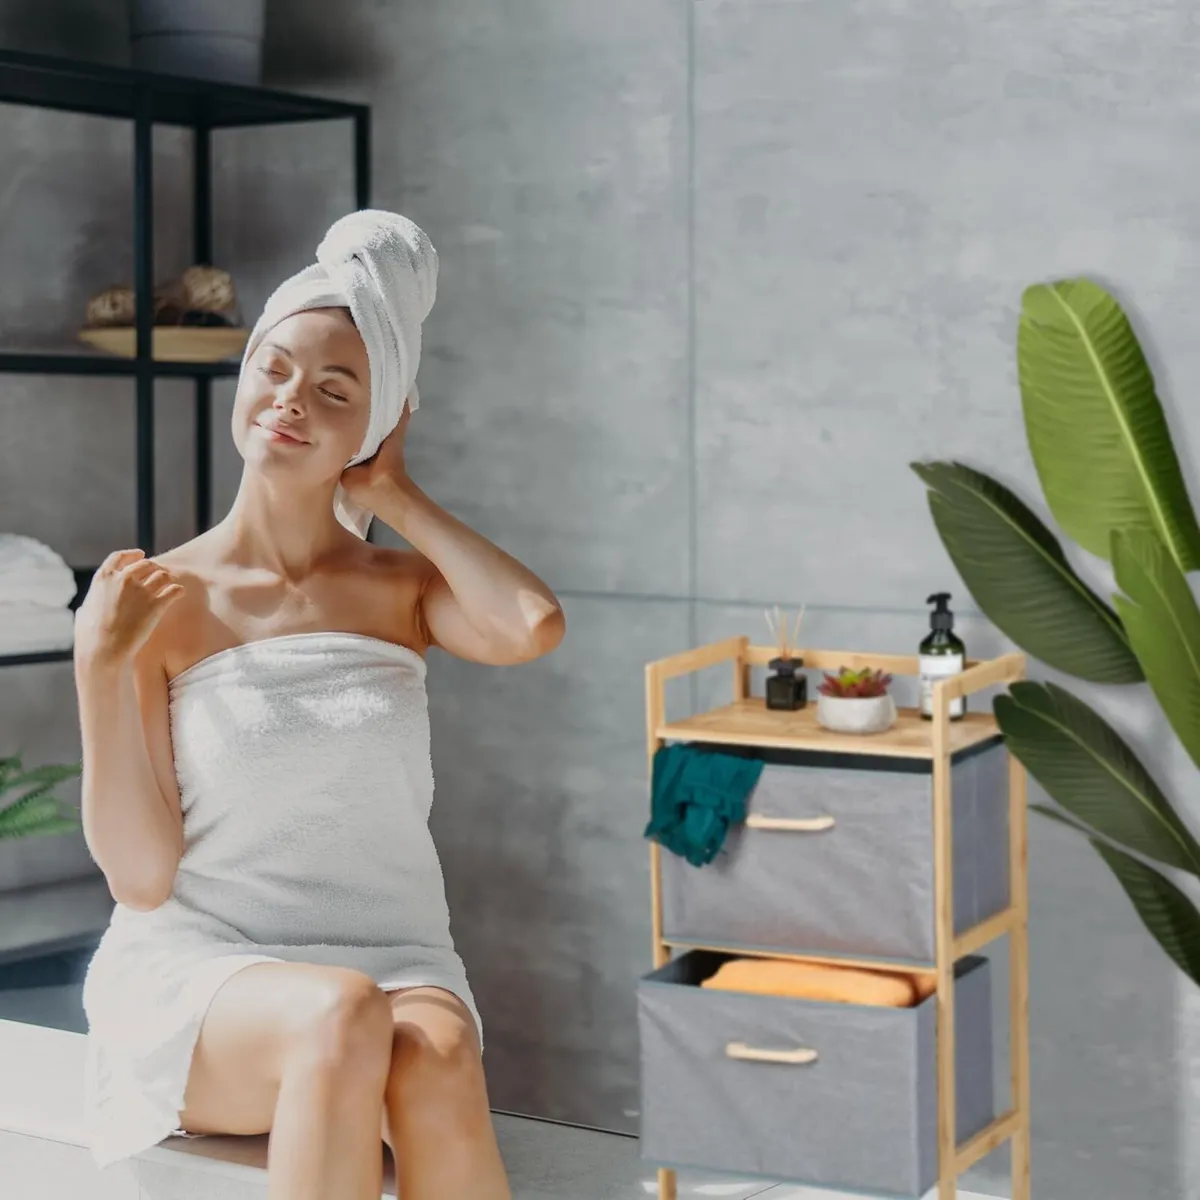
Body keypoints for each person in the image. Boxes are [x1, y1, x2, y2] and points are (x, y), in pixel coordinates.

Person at [72, 211, 564, 1200]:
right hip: (204, 975)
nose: (292, 400)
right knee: (339, 1016)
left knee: (429, 1056)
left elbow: (531, 624)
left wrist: (401, 492)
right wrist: (97, 666)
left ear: (373, 426)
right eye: (276, 368)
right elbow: (139, 876)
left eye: (336, 390)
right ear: (246, 375)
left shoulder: (400, 590)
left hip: (395, 956)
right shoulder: (160, 597)